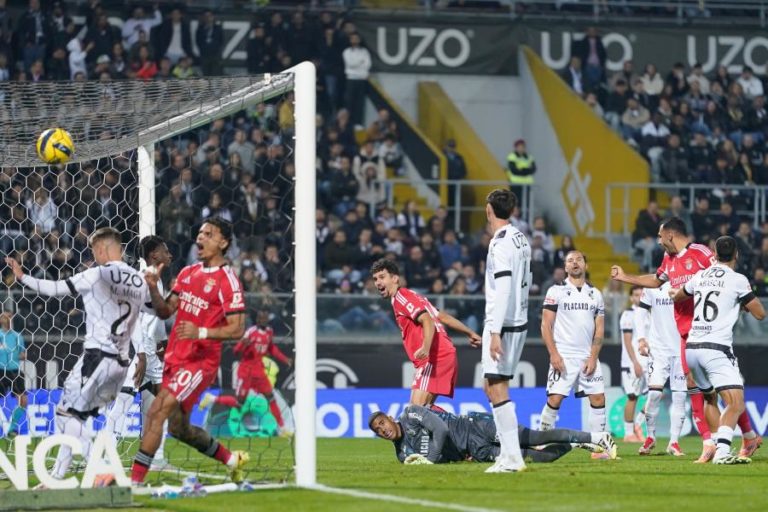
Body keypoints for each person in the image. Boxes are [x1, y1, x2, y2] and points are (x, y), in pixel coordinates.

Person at [611, 217, 762, 462]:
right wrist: (626, 277)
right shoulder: (668, 260)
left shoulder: (701, 253)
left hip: (710, 331)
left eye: (660, 236)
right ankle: (712, 443)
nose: (659, 241)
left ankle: (744, 436)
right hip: (686, 335)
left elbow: (723, 275)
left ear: (671, 235)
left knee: (725, 392)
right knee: (704, 392)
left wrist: (740, 300)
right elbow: (656, 281)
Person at [4, 227, 149, 481]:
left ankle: (103, 467)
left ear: (102, 249)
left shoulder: (97, 274)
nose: (93, 256)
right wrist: (144, 355)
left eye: (94, 250)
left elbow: (56, 288)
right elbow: (151, 315)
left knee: (64, 415)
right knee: (70, 415)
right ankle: (57, 476)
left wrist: (22, 276)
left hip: (97, 356)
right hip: (122, 362)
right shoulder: (138, 278)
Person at [130, 218, 249, 486]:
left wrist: (201, 332)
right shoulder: (188, 272)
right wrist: (152, 287)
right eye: (199, 233)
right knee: (179, 429)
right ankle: (232, 460)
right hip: (174, 358)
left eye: (208, 234)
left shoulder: (227, 281)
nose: (200, 238)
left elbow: (237, 328)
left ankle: (134, 484)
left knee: (155, 412)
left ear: (223, 242)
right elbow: (164, 311)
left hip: (198, 363)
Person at [671, 236, 766, 464]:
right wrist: (741, 304)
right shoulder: (738, 280)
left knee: (709, 399)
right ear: (736, 255)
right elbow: (760, 313)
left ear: (714, 254)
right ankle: (723, 453)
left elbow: (679, 295)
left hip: (692, 348)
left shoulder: (701, 276)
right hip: (716, 348)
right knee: (735, 402)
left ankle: (716, 443)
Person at [371, 259, 480, 406]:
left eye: (382, 277)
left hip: (434, 356)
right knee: (423, 412)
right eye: (375, 279)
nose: (378, 282)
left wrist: (426, 348)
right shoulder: (414, 296)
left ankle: (466, 427)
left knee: (416, 412)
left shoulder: (401, 298)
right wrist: (470, 332)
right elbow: (441, 316)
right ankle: (456, 427)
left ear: (395, 278)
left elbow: (427, 320)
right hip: (441, 354)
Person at [105, 236, 172, 468]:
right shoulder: (142, 278)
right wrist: (141, 354)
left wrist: (162, 342)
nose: (170, 254)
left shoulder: (157, 279)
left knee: (155, 404)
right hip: (137, 349)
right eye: (166, 250)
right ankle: (105, 456)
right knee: (124, 401)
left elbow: (155, 318)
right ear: (154, 255)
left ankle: (156, 457)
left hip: (151, 351)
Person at [368, 405, 617, 465]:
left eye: (382, 422)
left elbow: (441, 430)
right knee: (536, 458)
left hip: (476, 426)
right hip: (476, 451)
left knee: (534, 438)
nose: (383, 429)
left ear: (390, 418)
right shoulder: (403, 455)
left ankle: (597, 437)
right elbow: (445, 459)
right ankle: (575, 445)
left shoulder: (411, 413)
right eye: (378, 430)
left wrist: (430, 460)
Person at [481, 189, 532, 473]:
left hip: (504, 322)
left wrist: (496, 331)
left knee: (497, 386)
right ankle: (507, 454)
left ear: (489, 210)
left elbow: (502, 288)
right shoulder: (520, 237)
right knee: (490, 385)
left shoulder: (500, 244)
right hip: (517, 318)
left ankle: (513, 458)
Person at [539, 250, 607, 462]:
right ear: (565, 267)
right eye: (570, 261)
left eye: (578, 259)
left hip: (587, 356)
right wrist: (554, 354)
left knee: (598, 398)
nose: (575, 263)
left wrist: (593, 356)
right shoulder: (556, 291)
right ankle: (542, 440)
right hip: (564, 355)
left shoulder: (595, 294)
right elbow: (546, 324)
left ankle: (600, 446)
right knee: (555, 398)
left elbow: (599, 328)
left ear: (585, 265)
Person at [199, 310, 293, 434]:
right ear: (257, 320)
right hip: (246, 372)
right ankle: (211, 398)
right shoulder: (250, 333)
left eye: (264, 318)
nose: (262, 321)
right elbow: (236, 352)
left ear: (267, 319)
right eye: (260, 318)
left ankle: (282, 427)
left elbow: (271, 348)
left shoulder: (269, 332)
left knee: (271, 398)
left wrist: (285, 359)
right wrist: (243, 345)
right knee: (239, 403)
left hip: (260, 372)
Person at [635, 282, 687, 457]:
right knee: (654, 394)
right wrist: (641, 338)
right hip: (658, 351)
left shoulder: (687, 283)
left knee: (680, 397)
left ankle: (674, 442)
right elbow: (641, 311)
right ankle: (651, 437)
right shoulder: (652, 286)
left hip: (682, 349)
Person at [618, 286, 648, 443]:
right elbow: (628, 341)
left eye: (641, 294)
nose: (639, 297)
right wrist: (635, 362)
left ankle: (638, 424)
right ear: (631, 298)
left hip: (648, 360)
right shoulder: (628, 314)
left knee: (656, 394)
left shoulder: (648, 313)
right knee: (632, 397)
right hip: (631, 362)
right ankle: (628, 433)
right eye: (636, 295)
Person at [0, 312, 26, 437]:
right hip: (0, 370)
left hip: (14, 371)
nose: (8, 319)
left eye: (10, 317)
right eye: (5, 317)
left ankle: (12, 427)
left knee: (23, 400)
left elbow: (23, 355)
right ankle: (5, 427)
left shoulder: (17, 336)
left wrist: (15, 354)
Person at [505, 139, 536, 212]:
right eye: (519, 147)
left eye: (522, 147)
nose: (521, 148)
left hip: (527, 184)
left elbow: (533, 169)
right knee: (516, 203)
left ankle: (525, 219)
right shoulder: (512, 156)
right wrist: (526, 170)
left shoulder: (529, 157)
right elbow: (514, 170)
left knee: (527, 204)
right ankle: (516, 218)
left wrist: (521, 170)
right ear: (516, 148)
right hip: (515, 183)